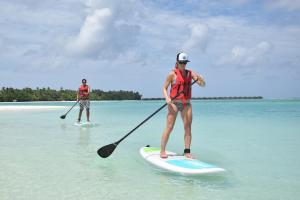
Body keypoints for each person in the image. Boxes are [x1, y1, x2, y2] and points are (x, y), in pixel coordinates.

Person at [160, 52, 206, 159]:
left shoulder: (190, 73)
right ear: (177, 62)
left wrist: (201, 79)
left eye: (185, 63)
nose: (183, 65)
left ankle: (187, 152)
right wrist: (167, 98)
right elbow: (164, 88)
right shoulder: (172, 74)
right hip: (174, 103)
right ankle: (162, 150)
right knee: (169, 127)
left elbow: (202, 85)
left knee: (188, 128)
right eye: (181, 63)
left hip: (186, 104)